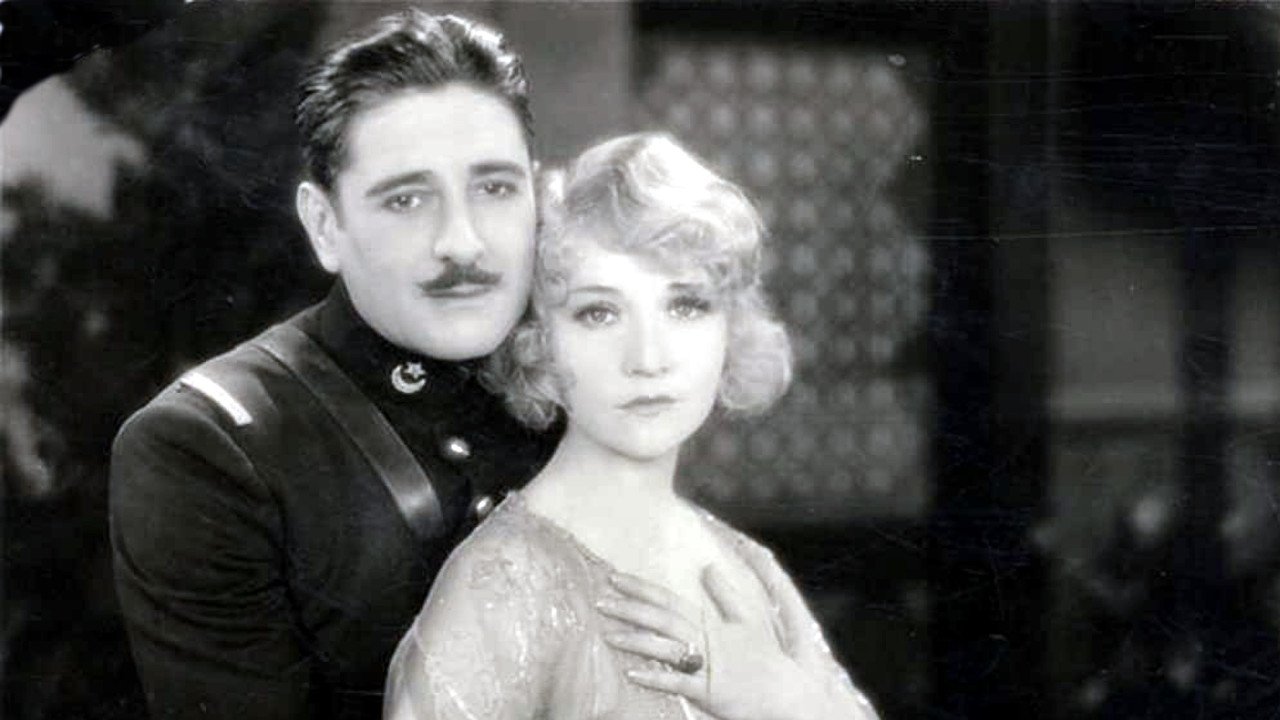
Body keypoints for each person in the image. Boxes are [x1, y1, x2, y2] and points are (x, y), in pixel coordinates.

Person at [109, 11, 558, 719]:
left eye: (495, 188)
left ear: (537, 198)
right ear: (325, 226)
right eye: (407, 199)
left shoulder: (582, 388)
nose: (462, 243)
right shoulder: (207, 448)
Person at [384, 132, 880, 720]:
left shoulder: (750, 569)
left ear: (730, 329)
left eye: (686, 305)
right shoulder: (500, 585)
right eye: (599, 312)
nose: (648, 357)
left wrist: (782, 702)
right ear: (538, 344)